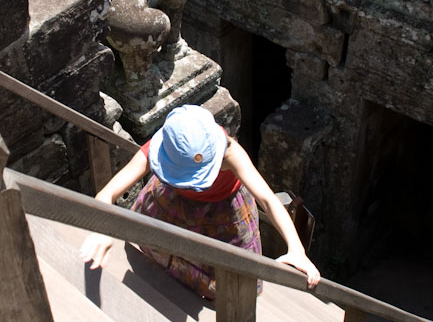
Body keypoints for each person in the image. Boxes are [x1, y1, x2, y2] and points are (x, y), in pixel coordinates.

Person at [81, 104, 321, 299]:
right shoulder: (157, 147)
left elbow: (267, 199)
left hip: (223, 214)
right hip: (173, 203)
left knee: (229, 277)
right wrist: (103, 229)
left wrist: (297, 250)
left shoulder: (230, 153)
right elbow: (107, 193)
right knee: (160, 249)